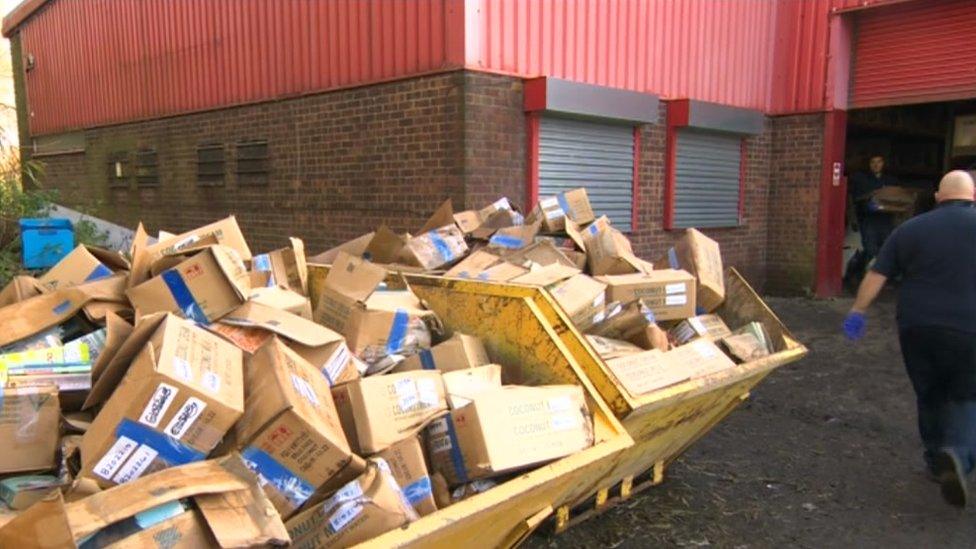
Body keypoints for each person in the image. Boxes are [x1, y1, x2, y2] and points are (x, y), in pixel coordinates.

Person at [843, 170, 976, 508]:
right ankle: (958, 455)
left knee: (928, 391)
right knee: (965, 395)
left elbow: (877, 273)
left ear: (937, 196)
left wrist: (857, 312)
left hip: (917, 326)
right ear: (972, 196)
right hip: (968, 327)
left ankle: (935, 461)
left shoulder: (910, 229)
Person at [847, 155, 898, 280]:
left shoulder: (890, 180)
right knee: (870, 248)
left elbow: (897, 198)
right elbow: (853, 199)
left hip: (886, 220)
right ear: (869, 164)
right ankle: (864, 277)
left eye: (879, 162)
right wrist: (853, 219)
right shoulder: (860, 179)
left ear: (883, 163)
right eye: (873, 162)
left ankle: (879, 279)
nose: (876, 165)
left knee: (885, 249)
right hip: (868, 219)